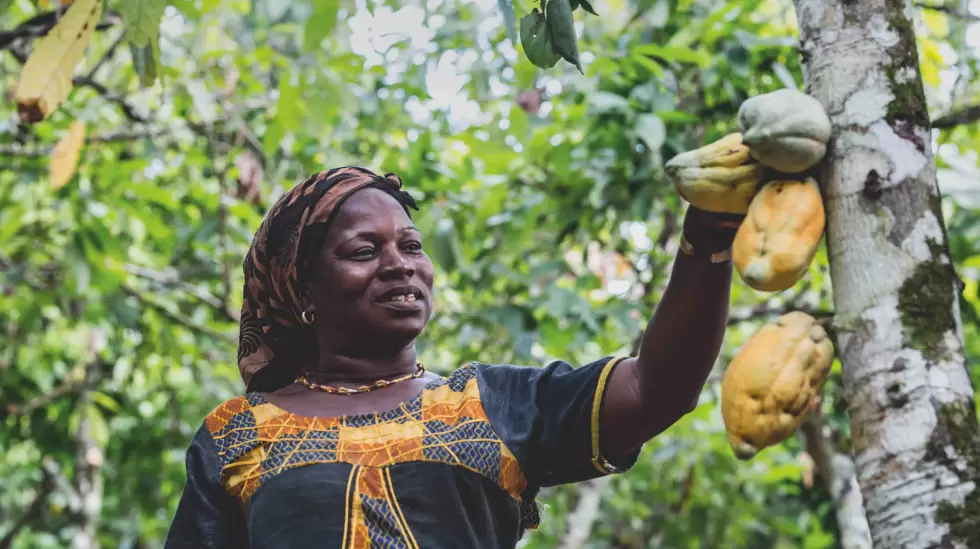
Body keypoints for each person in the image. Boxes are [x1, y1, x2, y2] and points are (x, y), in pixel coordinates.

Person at [163, 166, 742, 548]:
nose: (401, 264)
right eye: (365, 251)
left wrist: (707, 238)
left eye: (411, 245)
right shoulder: (237, 434)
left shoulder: (488, 404)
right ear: (303, 290)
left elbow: (657, 389)